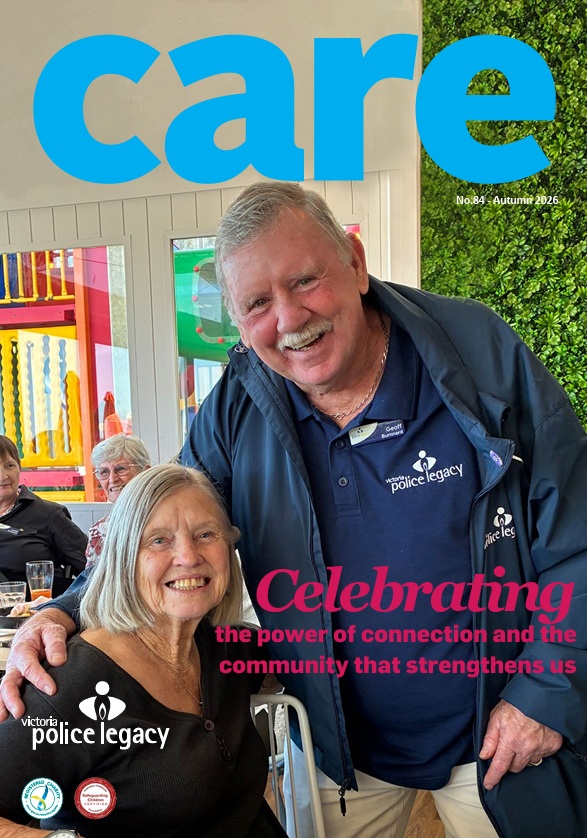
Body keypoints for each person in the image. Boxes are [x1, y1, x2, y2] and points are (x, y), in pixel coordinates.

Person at [2, 183, 587, 838]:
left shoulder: (477, 353)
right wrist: (64, 609)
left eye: (305, 280)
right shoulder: (239, 402)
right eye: (257, 303)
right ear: (237, 320)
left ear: (355, 265)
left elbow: (576, 535)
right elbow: (160, 532)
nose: (288, 318)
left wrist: (545, 693)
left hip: (499, 740)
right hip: (336, 749)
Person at [0, 464, 286, 837]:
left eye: (205, 534)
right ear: (123, 559)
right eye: (158, 540)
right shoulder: (69, 684)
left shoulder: (225, 646)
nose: (188, 556)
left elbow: (300, 665)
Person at [0, 435, 87, 582]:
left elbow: (93, 568)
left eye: (9, 466)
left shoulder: (49, 515)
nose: (3, 476)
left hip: (37, 596)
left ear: (19, 467)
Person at [85, 433, 151, 569]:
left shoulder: (168, 519)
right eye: (104, 472)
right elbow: (94, 580)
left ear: (145, 472)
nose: (112, 479)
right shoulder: (100, 532)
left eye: (120, 469)